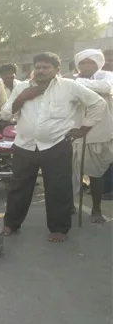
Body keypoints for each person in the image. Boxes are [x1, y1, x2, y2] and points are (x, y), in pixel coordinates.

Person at [1, 52, 106, 242]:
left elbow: (98, 104)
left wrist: (83, 129)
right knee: (18, 187)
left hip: (57, 145)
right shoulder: (23, 88)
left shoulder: (70, 87)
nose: (41, 71)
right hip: (25, 144)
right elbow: (5, 114)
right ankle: (11, 223)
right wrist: (23, 97)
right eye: (38, 67)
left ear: (57, 69)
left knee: (58, 188)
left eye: (46, 67)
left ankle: (59, 228)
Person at [71, 49, 113, 223]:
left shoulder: (106, 76)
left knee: (96, 174)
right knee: (70, 173)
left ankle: (96, 209)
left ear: (98, 63)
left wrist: (77, 82)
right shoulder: (71, 79)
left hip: (98, 132)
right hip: (75, 131)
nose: (85, 66)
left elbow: (106, 88)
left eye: (89, 62)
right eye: (82, 63)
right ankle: (70, 204)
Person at [103, 49, 113, 200]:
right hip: (104, 126)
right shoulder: (99, 80)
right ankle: (106, 189)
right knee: (106, 158)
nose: (109, 63)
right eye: (107, 60)